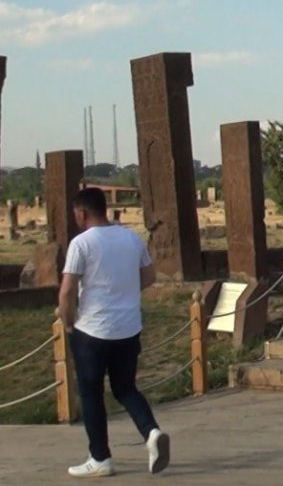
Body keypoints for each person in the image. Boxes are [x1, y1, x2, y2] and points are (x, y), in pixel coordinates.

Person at [57, 187, 170, 478]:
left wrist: (69, 321)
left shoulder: (81, 244)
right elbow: (149, 275)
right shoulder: (130, 237)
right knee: (125, 388)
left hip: (92, 330)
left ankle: (100, 457)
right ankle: (152, 433)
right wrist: (126, 294)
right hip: (128, 328)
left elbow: (68, 290)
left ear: (81, 212)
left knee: (91, 393)